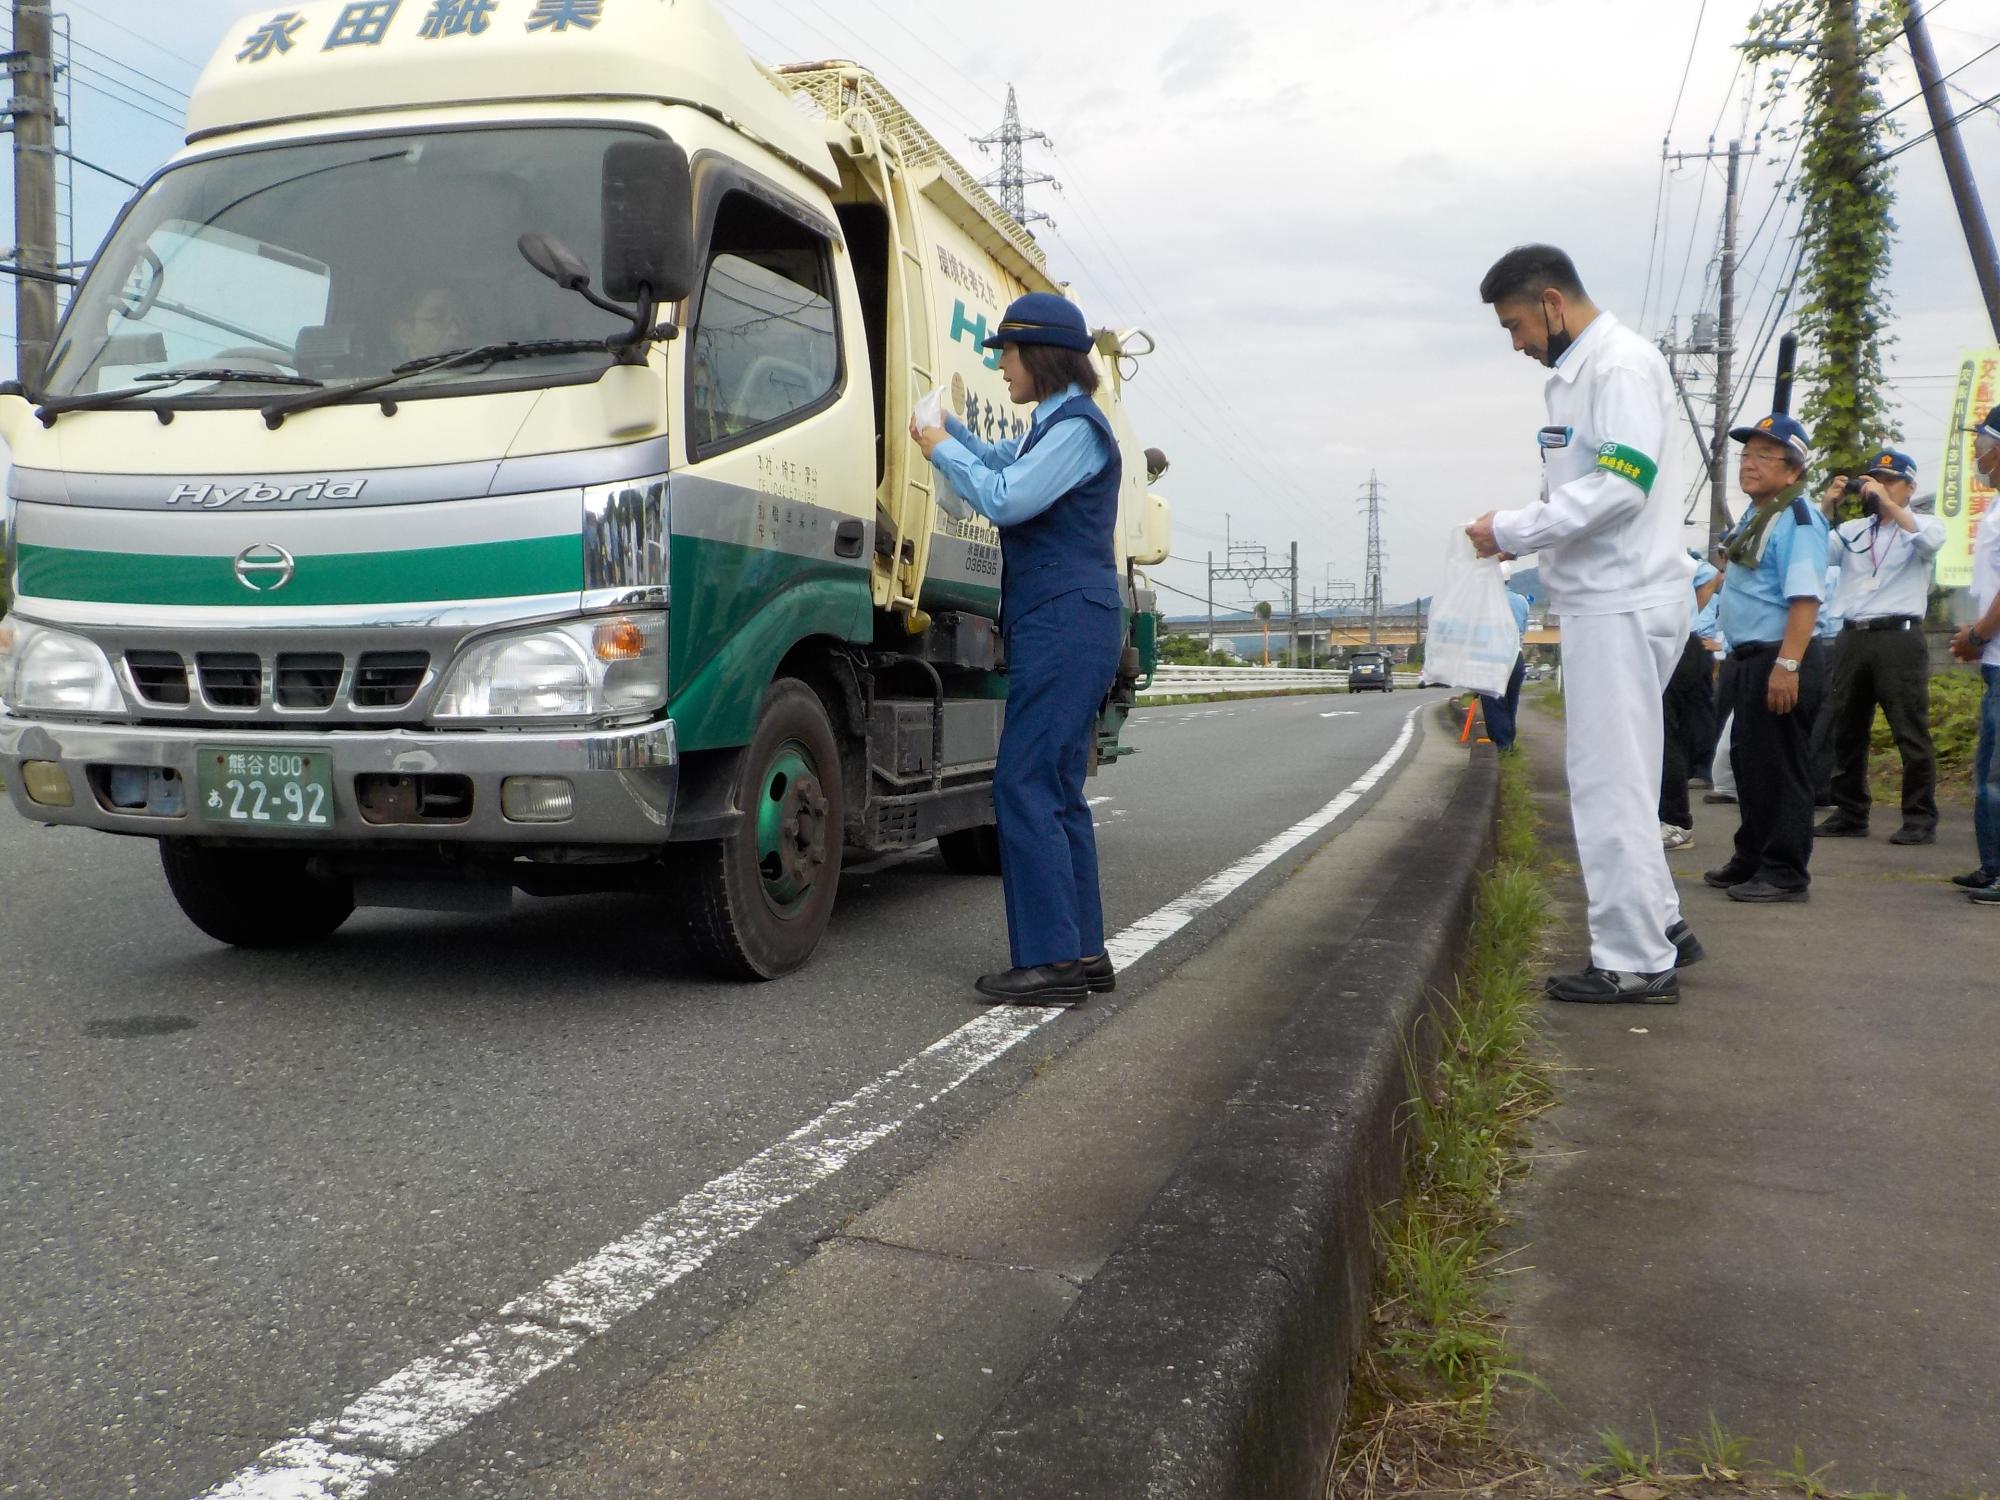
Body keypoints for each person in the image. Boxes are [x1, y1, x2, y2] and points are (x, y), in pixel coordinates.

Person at [1466, 244, 1700, 1004]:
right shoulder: (1583, 375)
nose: (1517, 343)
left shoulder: (1618, 367)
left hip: (1621, 597)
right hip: (1618, 596)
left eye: (1517, 325)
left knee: (1608, 785)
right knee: (1622, 775)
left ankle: (1633, 960)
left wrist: (1511, 528)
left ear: (1554, 303)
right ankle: (1662, 926)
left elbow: (1621, 488)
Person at [913, 291, 1123, 1005]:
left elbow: (1005, 497)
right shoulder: (1053, 427)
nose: (1000, 364)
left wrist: (938, 446)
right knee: (1057, 787)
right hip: (1066, 620)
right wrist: (945, 431)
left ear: (1039, 353)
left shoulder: (1077, 432)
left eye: (1006, 351)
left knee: (1024, 782)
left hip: (1065, 621)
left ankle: (1051, 962)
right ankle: (1084, 951)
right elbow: (996, 458)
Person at [1702, 414, 1829, 902]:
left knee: (1782, 767)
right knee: (1749, 763)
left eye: (1764, 456)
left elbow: (1804, 599)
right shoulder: (1761, 516)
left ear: (1793, 471)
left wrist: (1788, 666)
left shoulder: (1799, 519)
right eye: (1746, 455)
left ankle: (1784, 870)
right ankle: (1751, 856)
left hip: (1780, 657)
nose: (1750, 465)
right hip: (1746, 658)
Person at [1815, 449, 1946, 845]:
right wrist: (1827, 505)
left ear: (1910, 487)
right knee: (1846, 727)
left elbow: (1928, 545)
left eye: (1890, 480)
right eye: (1873, 479)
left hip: (1898, 636)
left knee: (1909, 728)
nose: (1879, 487)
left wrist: (1889, 504)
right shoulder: (1854, 529)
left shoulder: (1923, 523)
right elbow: (1816, 551)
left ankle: (1919, 817)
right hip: (1853, 634)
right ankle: (1850, 811)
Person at [1949, 404, 2000, 900]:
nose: (1976, 452)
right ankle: (1992, 865)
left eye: (1983, 442)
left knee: (1999, 772)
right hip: (1994, 657)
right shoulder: (1994, 506)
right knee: (1988, 770)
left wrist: (1979, 634)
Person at [1660, 550, 1723, 849]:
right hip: (1680, 642)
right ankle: (1666, 818)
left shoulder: (1662, 546)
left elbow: (1712, 575)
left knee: (1663, 734)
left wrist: (1690, 614)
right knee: (1667, 733)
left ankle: (1675, 821)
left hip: (1675, 644)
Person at [1478, 583, 1532, 750]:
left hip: (1492, 656)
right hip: (1516, 656)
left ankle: (1502, 746)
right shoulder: (1521, 601)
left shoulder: (1481, 601)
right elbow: (1523, 628)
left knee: (1493, 700)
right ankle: (1509, 743)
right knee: (1511, 701)